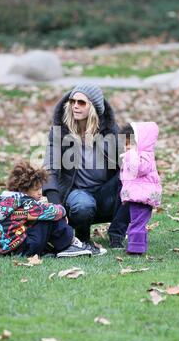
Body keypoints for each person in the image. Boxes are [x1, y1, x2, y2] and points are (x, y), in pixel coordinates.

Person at [42, 83, 130, 253]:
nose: (75, 105)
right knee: (83, 205)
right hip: (77, 194)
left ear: (94, 107)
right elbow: (49, 168)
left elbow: (126, 164)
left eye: (81, 102)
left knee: (132, 179)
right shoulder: (60, 131)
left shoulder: (110, 131)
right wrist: (56, 207)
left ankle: (117, 235)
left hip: (105, 194)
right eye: (72, 101)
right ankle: (83, 239)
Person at [0, 161, 92, 258]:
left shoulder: (7, 201)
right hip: (25, 248)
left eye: (40, 188)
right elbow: (52, 212)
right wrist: (63, 211)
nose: (40, 192)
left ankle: (66, 244)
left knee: (41, 215)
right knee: (49, 217)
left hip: (7, 250)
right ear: (23, 189)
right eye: (36, 189)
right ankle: (70, 244)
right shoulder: (26, 203)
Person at [119, 122, 162, 255]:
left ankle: (135, 249)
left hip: (142, 196)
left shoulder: (144, 155)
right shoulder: (136, 155)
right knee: (137, 222)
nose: (127, 148)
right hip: (137, 194)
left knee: (137, 223)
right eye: (125, 144)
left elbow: (140, 169)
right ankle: (138, 245)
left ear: (140, 142)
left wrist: (129, 155)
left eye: (130, 144)